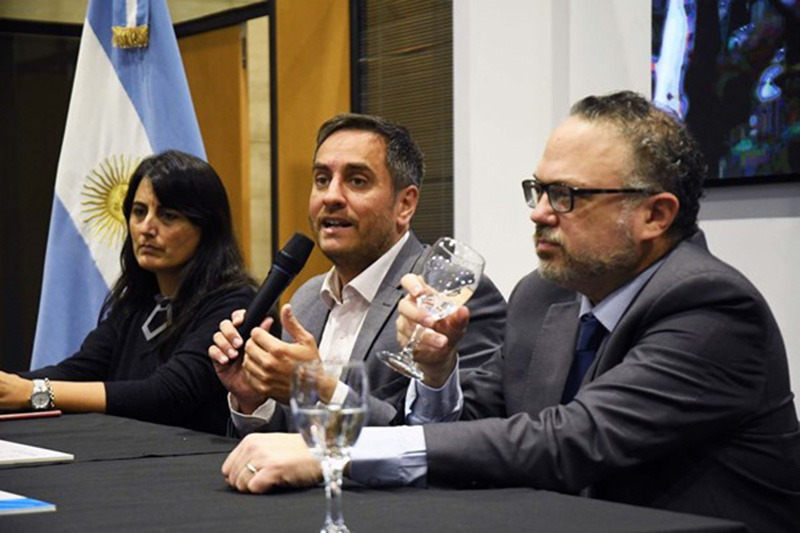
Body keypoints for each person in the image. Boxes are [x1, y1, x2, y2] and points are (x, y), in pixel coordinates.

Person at [220, 92, 800, 532]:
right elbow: (478, 433)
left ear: (655, 214)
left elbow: (568, 440)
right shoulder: (543, 296)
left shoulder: (713, 306)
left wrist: (336, 453)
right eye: (538, 190)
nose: (539, 213)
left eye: (567, 196)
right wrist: (438, 375)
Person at [209, 113, 506, 435]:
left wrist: (322, 389)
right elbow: (298, 437)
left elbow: (457, 439)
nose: (331, 197)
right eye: (322, 179)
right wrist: (254, 401)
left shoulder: (447, 297)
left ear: (404, 204)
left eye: (357, 181)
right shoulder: (307, 299)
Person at [0, 150, 254, 435]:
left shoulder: (235, 303)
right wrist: (10, 385)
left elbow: (167, 394)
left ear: (206, 229)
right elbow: (77, 372)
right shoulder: (138, 303)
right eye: (139, 212)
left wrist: (34, 392)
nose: (146, 228)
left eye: (168, 216)